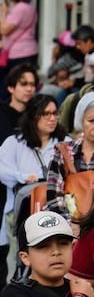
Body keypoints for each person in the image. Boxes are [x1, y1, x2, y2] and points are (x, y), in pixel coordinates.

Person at [0, 64, 36, 297]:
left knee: (25, 244)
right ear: (11, 87)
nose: (29, 89)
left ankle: (19, 292)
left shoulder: (37, 116)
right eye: (24, 84)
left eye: (32, 84)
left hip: (30, 191)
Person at [0, 96, 70, 250]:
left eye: (55, 113)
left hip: (58, 211)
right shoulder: (14, 142)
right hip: (22, 212)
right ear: (33, 116)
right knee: (23, 260)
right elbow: (2, 172)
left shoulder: (66, 143)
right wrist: (23, 177)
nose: (52, 118)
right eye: (46, 114)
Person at [44, 94, 94, 223]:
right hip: (68, 229)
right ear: (81, 121)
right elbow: (53, 195)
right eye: (91, 121)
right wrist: (71, 225)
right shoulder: (63, 151)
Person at [0, 0, 39, 102]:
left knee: (16, 81)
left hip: (18, 52)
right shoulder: (30, 8)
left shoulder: (19, 8)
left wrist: (4, 12)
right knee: (28, 81)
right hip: (30, 49)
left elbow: (3, 30)